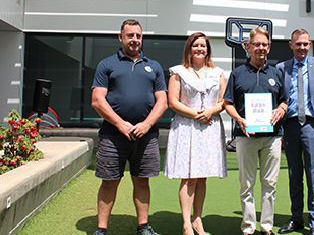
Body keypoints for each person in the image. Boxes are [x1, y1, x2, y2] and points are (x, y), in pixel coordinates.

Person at [91, 19, 168, 235]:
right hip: (112, 135)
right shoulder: (107, 64)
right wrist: (120, 123)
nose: (134, 39)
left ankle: (143, 227)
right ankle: (101, 229)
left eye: (138, 35)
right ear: (121, 37)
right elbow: (97, 100)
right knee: (109, 182)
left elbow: (162, 102)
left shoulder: (154, 66)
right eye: (130, 35)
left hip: (146, 136)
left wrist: (146, 124)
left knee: (142, 182)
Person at [224, 26, 289, 235]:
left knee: (270, 184)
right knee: (247, 184)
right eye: (256, 44)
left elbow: (285, 101)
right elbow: (227, 103)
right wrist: (239, 119)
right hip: (246, 136)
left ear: (268, 48)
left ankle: (266, 227)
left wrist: (281, 109)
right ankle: (248, 227)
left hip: (272, 138)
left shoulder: (277, 73)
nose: (260, 48)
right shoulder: (237, 73)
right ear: (249, 47)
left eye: (264, 44)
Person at [276, 29, 314, 235]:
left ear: (309, 44)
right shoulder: (281, 68)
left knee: (313, 175)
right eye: (298, 44)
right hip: (291, 125)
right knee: (294, 174)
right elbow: (276, 97)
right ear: (291, 45)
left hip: (312, 125)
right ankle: (296, 219)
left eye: (305, 44)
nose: (302, 47)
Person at [164, 32, 227, 235]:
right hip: (186, 128)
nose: (199, 49)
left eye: (203, 45)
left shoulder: (217, 72)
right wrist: (196, 114)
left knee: (201, 177)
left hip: (209, 128)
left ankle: (197, 219)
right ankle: (186, 223)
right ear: (189, 48)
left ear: (208, 49)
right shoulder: (178, 72)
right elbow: (172, 102)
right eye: (195, 45)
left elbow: (223, 101)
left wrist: (210, 111)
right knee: (188, 176)